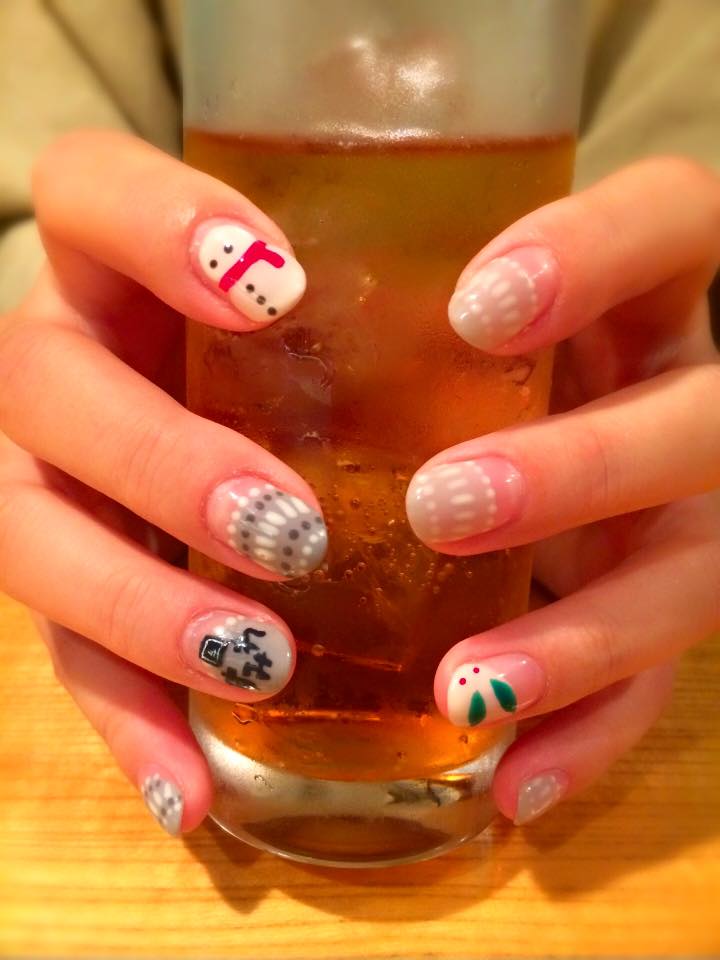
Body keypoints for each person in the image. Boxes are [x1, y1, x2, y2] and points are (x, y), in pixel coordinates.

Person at [0, 0, 718, 836]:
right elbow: (29, 161)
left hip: (524, 546)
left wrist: (654, 380)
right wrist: (62, 356)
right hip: (207, 463)